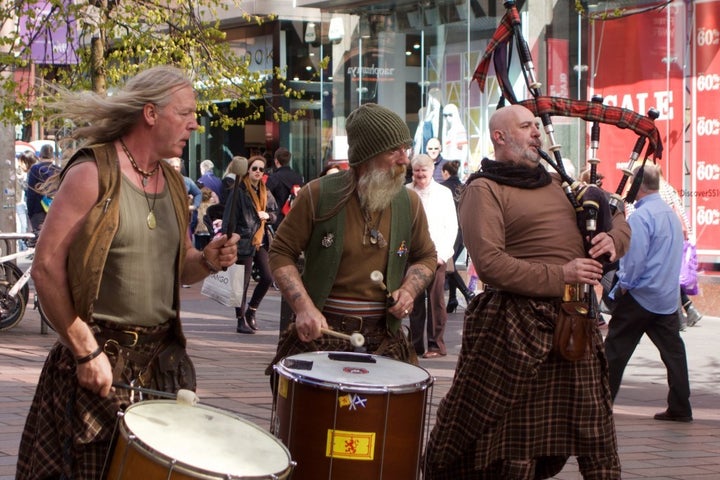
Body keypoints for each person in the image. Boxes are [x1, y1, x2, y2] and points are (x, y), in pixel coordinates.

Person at [16, 65, 239, 480]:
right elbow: (45, 266)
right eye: (185, 112)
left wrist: (207, 259)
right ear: (150, 114)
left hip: (160, 368)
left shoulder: (172, 183)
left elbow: (182, 270)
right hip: (97, 366)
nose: (194, 122)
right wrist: (85, 351)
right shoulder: (93, 173)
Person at [424, 104, 630, 479]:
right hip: (513, 328)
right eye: (526, 126)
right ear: (499, 137)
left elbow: (615, 214)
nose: (537, 132)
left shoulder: (560, 184)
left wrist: (614, 239)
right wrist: (562, 273)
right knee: (516, 445)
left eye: (536, 126)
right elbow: (489, 264)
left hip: (573, 325)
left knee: (597, 435)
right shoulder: (482, 189)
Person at [266, 103, 437, 370]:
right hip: (321, 337)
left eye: (406, 149)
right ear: (366, 155)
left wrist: (409, 290)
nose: (405, 160)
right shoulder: (317, 195)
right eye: (394, 150)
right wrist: (303, 308)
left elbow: (426, 256)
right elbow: (280, 252)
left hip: (385, 339)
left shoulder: (409, 202)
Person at [604, 164, 692, 423]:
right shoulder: (670, 215)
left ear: (639, 186)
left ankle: (600, 405)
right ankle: (680, 407)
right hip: (664, 297)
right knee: (674, 353)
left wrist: (622, 287)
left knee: (615, 352)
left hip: (640, 295)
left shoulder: (641, 217)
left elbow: (634, 260)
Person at [406, 154, 458, 358]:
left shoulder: (443, 193)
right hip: (412, 256)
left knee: (436, 302)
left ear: (431, 171)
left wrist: (443, 254)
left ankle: (436, 345)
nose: (420, 175)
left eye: (423, 171)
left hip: (437, 255)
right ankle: (416, 345)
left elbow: (452, 226)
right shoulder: (405, 192)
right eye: (416, 170)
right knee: (414, 302)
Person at [223, 155, 278, 334]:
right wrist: (230, 237)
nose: (258, 172)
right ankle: (240, 320)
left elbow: (274, 213)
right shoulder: (239, 190)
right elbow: (228, 218)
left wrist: (268, 216)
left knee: (268, 277)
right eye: (254, 168)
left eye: (261, 170)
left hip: (260, 240)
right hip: (243, 240)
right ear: (248, 170)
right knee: (242, 283)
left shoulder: (265, 191)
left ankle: (251, 311)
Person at [440, 160, 474, 313]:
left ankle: (467, 293)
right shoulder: (464, 188)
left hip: (449, 231)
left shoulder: (443, 189)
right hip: (464, 231)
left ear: (445, 173)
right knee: (451, 264)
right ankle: (453, 298)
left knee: (448, 266)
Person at [25, 144, 59, 246]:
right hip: (55, 209)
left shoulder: (35, 170)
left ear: (40, 155)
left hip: (38, 210)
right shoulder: (58, 170)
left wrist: (30, 212)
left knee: (40, 241)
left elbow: (31, 194)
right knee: (54, 239)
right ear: (52, 156)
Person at [265, 146, 303, 229]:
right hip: (295, 218)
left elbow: (265, 196)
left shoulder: (274, 177)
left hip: (278, 219)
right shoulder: (298, 177)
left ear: (276, 161)